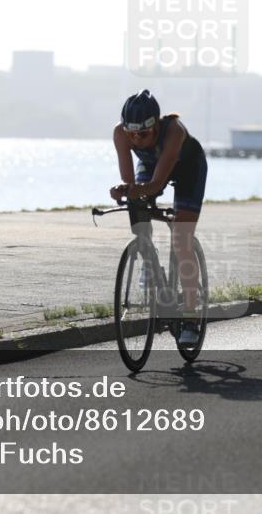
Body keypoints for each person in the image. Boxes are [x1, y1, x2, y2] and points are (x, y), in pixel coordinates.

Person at [110, 90, 208, 347]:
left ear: (156, 125)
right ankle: (147, 260)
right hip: (153, 165)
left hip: (187, 167)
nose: (137, 139)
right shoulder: (120, 133)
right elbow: (130, 182)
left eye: (143, 134)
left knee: (181, 239)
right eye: (132, 134)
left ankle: (190, 317)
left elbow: (155, 186)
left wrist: (137, 191)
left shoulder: (173, 130)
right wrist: (124, 190)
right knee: (136, 203)